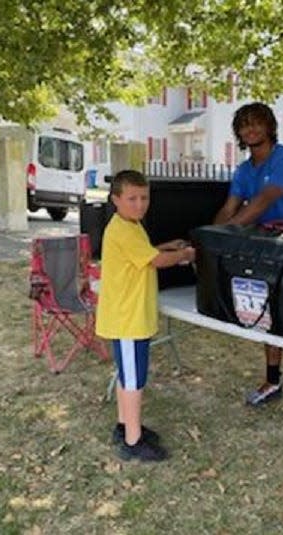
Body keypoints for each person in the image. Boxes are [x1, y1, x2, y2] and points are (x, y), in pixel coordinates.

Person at [214, 102, 283, 407]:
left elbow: (260, 204)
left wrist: (226, 233)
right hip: (265, 245)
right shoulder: (244, 170)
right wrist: (210, 235)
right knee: (267, 312)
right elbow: (230, 207)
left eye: (256, 123)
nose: (251, 129)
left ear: (270, 126)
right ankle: (273, 381)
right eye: (244, 125)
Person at [95, 169, 195, 462]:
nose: (139, 204)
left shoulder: (130, 224)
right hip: (127, 320)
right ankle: (132, 441)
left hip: (131, 316)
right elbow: (157, 261)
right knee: (133, 380)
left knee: (130, 376)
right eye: (132, 198)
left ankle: (126, 425)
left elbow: (147, 252)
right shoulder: (124, 229)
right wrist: (186, 254)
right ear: (115, 200)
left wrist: (166, 246)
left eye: (144, 198)